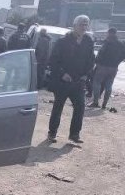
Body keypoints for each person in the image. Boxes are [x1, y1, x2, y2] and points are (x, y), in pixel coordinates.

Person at [47, 15, 95, 144]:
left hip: (79, 82)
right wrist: (62, 73)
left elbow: (91, 61)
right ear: (74, 25)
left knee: (80, 107)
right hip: (63, 81)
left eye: (86, 24)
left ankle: (74, 134)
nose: (84, 27)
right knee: (58, 107)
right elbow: (53, 60)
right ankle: (52, 133)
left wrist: (86, 74)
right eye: (81, 24)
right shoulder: (63, 41)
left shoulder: (88, 41)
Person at [91, 28, 125, 108]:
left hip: (103, 66)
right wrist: (117, 63)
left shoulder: (107, 42)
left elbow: (101, 53)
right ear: (116, 33)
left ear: (109, 33)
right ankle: (104, 104)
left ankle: (95, 102)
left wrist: (97, 62)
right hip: (113, 68)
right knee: (109, 85)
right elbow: (123, 55)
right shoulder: (120, 44)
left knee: (97, 82)